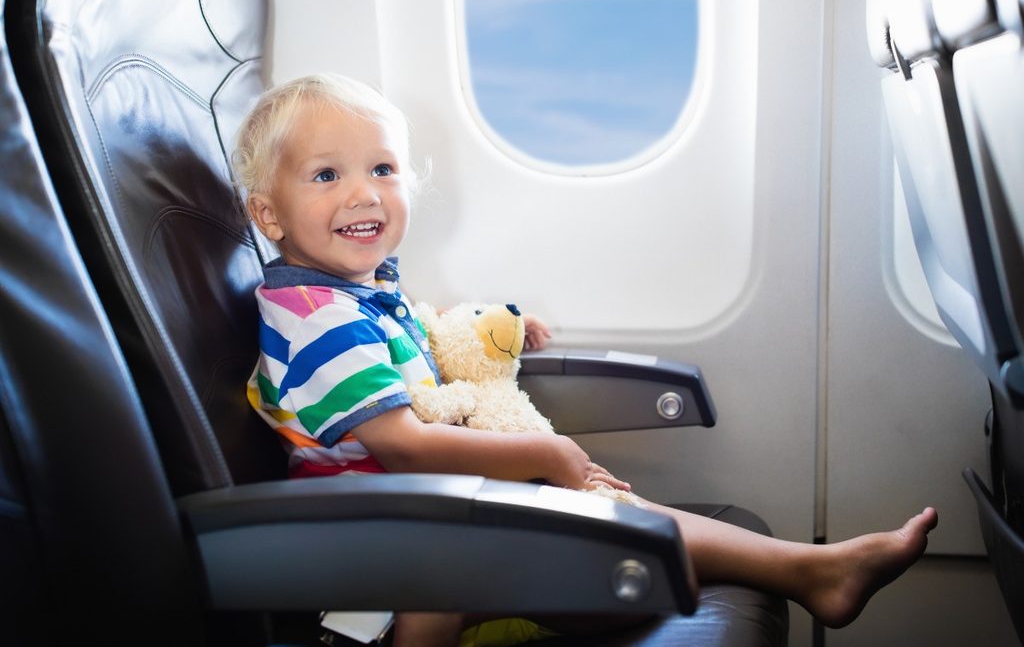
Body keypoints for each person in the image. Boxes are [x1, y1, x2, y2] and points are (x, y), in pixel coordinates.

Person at [234, 73, 938, 647]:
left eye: (383, 168)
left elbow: (415, 348)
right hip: (379, 544)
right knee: (608, 564)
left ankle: (814, 570)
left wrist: (492, 331)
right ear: (269, 216)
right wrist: (551, 453)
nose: (364, 192)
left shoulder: (358, 293)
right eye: (326, 176)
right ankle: (803, 572)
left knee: (613, 519)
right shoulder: (318, 319)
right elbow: (407, 446)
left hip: (419, 519)